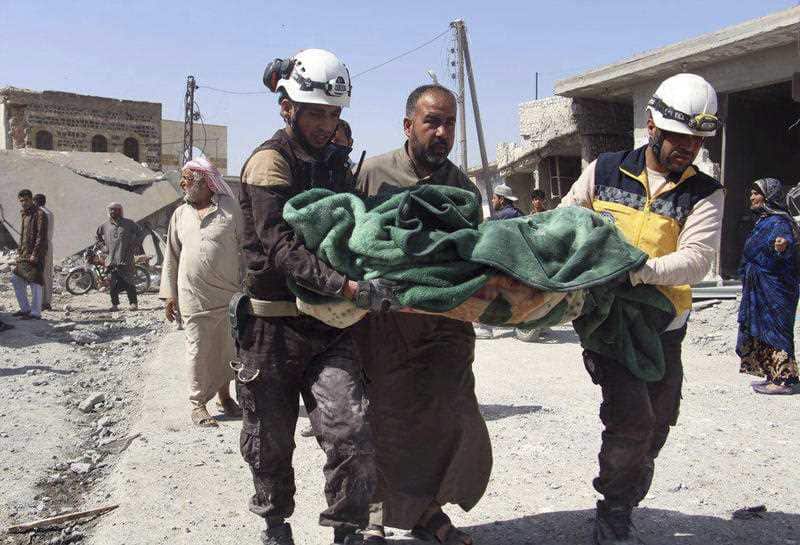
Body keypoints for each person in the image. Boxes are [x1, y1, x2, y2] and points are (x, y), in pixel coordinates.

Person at [560, 73, 724, 545]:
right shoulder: (604, 170)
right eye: (679, 138)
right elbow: (569, 217)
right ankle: (613, 508)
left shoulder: (705, 193)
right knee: (630, 419)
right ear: (652, 125)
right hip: (608, 326)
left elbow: (695, 259)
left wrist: (635, 270)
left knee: (657, 421)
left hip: (665, 327)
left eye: (696, 142)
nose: (687, 149)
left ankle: (628, 481)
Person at [237, 48, 385, 545]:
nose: (326, 124)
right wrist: (345, 287)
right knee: (270, 442)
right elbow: (279, 244)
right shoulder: (268, 162)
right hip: (271, 329)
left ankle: (347, 530)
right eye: (316, 112)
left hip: (328, 328)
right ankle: (275, 526)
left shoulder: (336, 165)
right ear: (288, 108)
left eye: (333, 113)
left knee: (351, 433)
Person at [354, 84, 493, 545]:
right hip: (384, 329)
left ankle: (425, 513)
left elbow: (473, 258)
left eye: (450, 123)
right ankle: (370, 516)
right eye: (432, 121)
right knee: (379, 422)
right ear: (408, 124)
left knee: (439, 423)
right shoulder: (374, 175)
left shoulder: (462, 188)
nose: (442, 132)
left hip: (444, 330)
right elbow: (349, 244)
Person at [160, 157, 244, 427]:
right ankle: (198, 404)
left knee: (226, 348)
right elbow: (171, 256)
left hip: (228, 295)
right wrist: (169, 294)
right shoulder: (180, 214)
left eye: (188, 179)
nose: (183, 183)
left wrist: (249, 287)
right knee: (198, 349)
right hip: (193, 296)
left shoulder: (230, 209)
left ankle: (225, 397)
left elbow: (245, 249)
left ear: (205, 182)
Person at [737, 177, 799, 395]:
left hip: (776, 288)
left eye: (757, 193)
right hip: (760, 286)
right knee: (763, 330)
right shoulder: (764, 220)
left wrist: (784, 248)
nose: (752, 197)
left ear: (769, 196)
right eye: (752, 193)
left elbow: (790, 246)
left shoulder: (781, 222)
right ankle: (771, 375)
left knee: (776, 331)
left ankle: (786, 380)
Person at [96, 203, 144, 312]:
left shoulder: (129, 223)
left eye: (115, 210)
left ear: (120, 211)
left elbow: (140, 233)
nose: (113, 212)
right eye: (111, 210)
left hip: (126, 259)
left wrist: (134, 244)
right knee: (113, 284)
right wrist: (103, 247)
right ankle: (115, 305)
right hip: (112, 260)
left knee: (130, 283)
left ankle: (133, 304)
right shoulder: (105, 226)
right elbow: (97, 237)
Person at [11, 189, 48, 320]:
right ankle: (25, 309)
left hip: (35, 253)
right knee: (16, 279)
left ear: (31, 199)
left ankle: (36, 312)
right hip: (24, 253)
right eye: (21, 200)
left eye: (26, 200)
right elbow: (22, 235)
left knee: (35, 281)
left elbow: (41, 236)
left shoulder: (40, 214)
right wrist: (19, 250)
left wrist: (35, 254)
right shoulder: (24, 214)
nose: (24, 203)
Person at [33, 194, 54, 310]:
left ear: (35, 202)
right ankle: (47, 302)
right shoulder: (50, 213)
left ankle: (39, 302)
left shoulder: (38, 214)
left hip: (40, 246)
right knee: (47, 273)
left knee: (38, 274)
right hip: (48, 245)